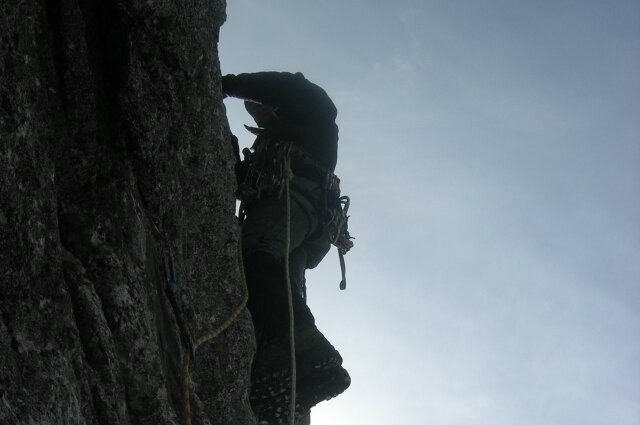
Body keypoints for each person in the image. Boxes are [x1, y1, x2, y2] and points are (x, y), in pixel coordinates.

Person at [222, 71, 352, 423]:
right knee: (274, 288)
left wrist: (225, 84)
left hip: (295, 200)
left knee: (255, 256)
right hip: (308, 221)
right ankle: (283, 385)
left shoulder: (312, 107)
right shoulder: (293, 137)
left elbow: (286, 86)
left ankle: (312, 356)